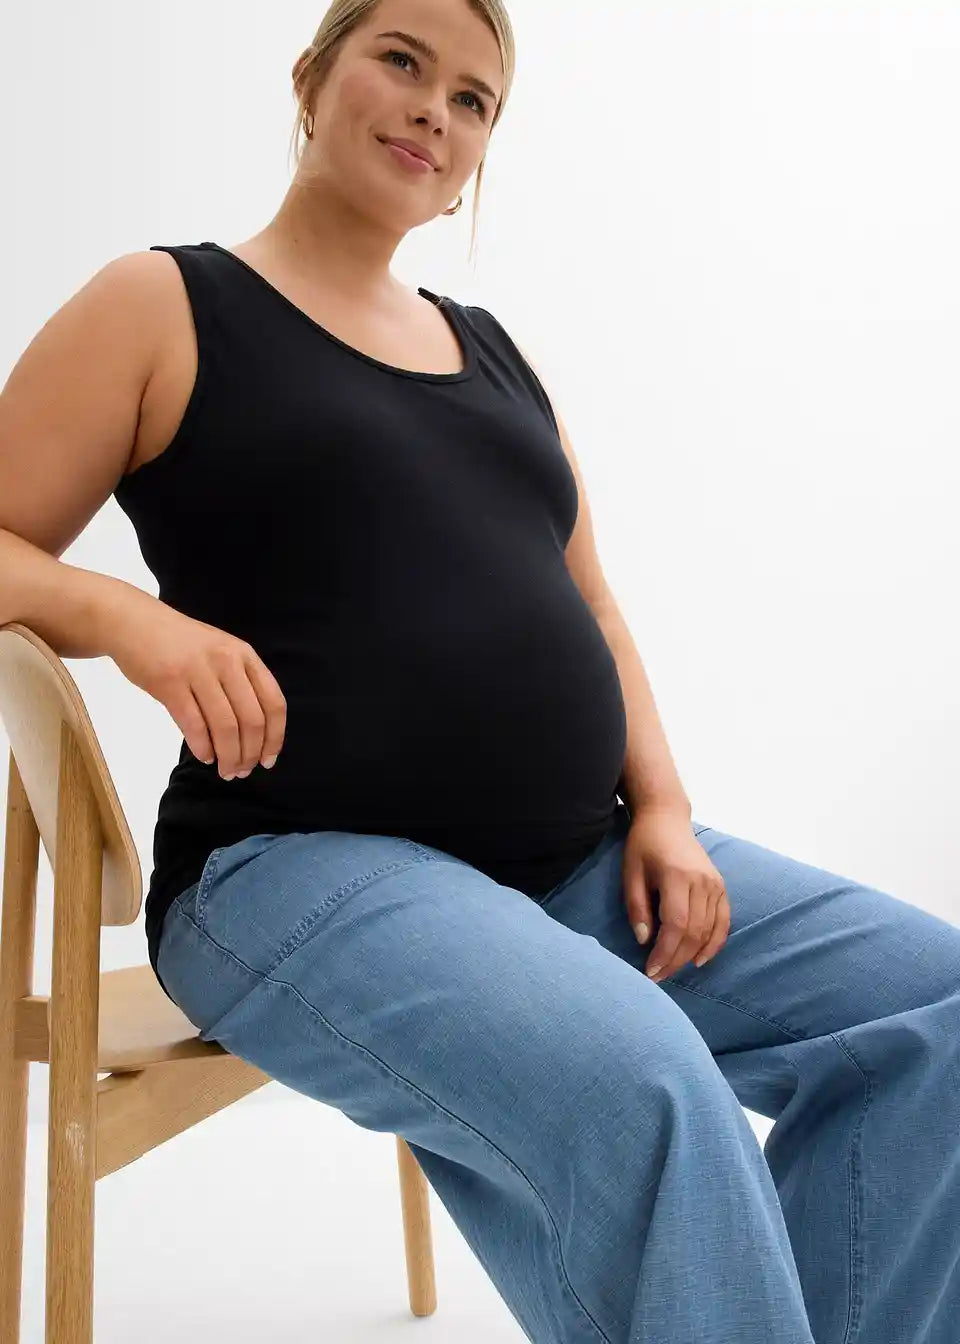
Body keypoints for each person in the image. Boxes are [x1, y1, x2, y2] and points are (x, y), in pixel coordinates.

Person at [1, 2, 957, 1340]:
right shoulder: (166, 303)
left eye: (473, 99)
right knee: (646, 1086)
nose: (433, 110)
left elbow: (596, 609)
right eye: (402, 60)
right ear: (311, 77)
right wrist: (124, 617)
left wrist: (665, 808)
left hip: (574, 864)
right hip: (296, 865)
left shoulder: (497, 354)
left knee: (937, 1009)